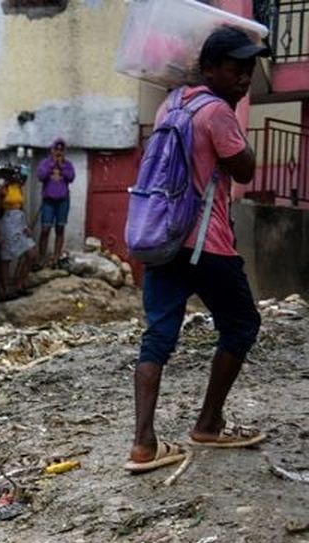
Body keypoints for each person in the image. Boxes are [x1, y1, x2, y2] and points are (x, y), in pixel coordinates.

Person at [126, 27, 269, 473]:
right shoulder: (216, 113)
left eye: (249, 71)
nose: (244, 79)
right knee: (242, 325)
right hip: (206, 242)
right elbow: (244, 170)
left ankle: (144, 443)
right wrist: (232, 118)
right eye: (236, 70)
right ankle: (208, 422)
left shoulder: (173, 103)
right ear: (209, 69)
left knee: (158, 336)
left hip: (163, 237)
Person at [0, 168, 36, 300]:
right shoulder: (1, 191)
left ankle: (19, 284)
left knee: (31, 253)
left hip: (19, 222)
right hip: (7, 223)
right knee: (7, 258)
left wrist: (26, 225)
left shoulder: (19, 189)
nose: (20, 179)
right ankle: (5, 290)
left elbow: (21, 208)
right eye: (17, 176)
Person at [36, 138, 76, 265]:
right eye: (56, 149)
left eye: (61, 150)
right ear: (51, 150)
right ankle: (41, 258)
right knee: (45, 229)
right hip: (48, 201)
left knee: (60, 228)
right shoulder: (45, 163)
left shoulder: (67, 164)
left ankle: (56, 257)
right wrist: (52, 165)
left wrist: (62, 167)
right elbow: (41, 176)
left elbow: (71, 177)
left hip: (63, 201)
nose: (58, 152)